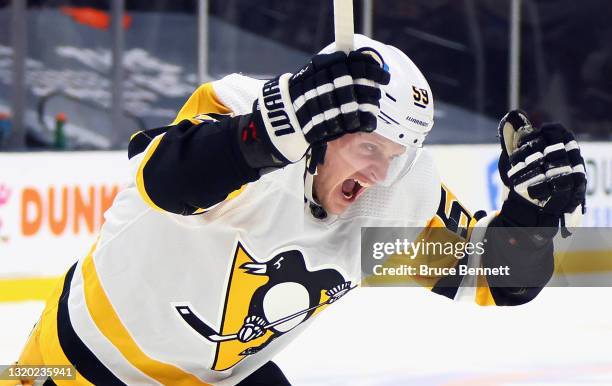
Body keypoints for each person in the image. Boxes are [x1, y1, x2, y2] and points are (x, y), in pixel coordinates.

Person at [12, 34, 586, 386]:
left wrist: (531, 215)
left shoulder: (393, 195)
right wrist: (277, 126)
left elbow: (493, 279)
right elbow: (166, 180)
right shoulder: (247, 116)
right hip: (82, 366)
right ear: (323, 133)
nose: (380, 171)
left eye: (397, 153)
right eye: (368, 147)